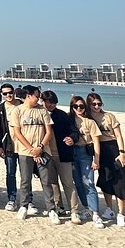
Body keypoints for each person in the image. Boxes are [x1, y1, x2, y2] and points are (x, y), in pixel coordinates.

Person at [10, 85, 60, 225]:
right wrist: (32, 149)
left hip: (43, 151)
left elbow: (48, 131)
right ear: (28, 96)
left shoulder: (42, 110)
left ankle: (51, 209)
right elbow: (17, 133)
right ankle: (24, 206)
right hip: (25, 152)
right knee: (25, 180)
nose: (39, 99)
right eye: (37, 96)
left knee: (46, 181)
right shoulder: (17, 111)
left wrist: (40, 147)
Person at [88, 93, 125, 227]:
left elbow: (118, 135)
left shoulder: (109, 116)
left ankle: (121, 214)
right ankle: (109, 209)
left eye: (99, 104)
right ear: (89, 105)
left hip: (113, 149)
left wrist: (122, 152)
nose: (97, 106)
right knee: (105, 180)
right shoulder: (89, 118)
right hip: (100, 150)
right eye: (93, 104)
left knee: (120, 181)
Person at [41, 91, 81, 225]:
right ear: (43, 101)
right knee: (52, 183)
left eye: (54, 102)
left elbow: (74, 131)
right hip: (46, 154)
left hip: (63, 154)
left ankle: (74, 211)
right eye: (48, 102)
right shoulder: (39, 114)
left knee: (68, 183)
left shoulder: (63, 115)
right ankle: (59, 207)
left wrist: (72, 139)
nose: (51, 104)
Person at [0, 83, 33, 212]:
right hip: (9, 145)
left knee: (26, 174)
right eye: (5, 93)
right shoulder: (0, 109)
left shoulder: (23, 105)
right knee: (10, 173)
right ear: (1, 94)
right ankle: (12, 199)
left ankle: (29, 200)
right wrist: (0, 146)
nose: (8, 95)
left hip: (24, 145)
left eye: (10, 92)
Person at [70, 95, 104, 228]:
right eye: (76, 106)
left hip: (85, 153)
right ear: (72, 107)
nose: (79, 109)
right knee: (78, 182)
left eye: (81, 106)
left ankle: (95, 212)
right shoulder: (70, 120)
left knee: (88, 183)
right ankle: (87, 208)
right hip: (72, 153)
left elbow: (96, 142)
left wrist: (96, 159)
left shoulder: (90, 122)